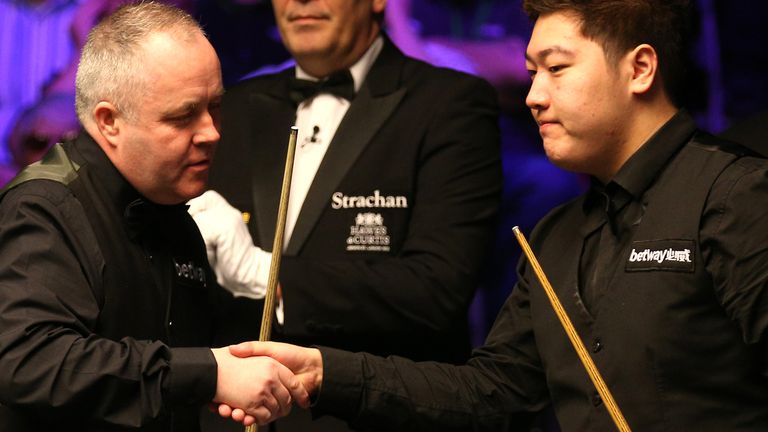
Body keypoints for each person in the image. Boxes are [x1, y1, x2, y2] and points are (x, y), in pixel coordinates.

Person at [219, 0, 768, 430]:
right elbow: (490, 395)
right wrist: (326, 372)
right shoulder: (554, 237)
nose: (532, 95)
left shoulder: (737, 196)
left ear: (640, 69)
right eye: (532, 73)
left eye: (556, 69)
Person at [0, 3, 309, 431]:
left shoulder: (172, 212)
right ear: (109, 122)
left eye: (214, 107)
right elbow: (32, 362)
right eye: (183, 116)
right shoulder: (44, 207)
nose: (212, 132)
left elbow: (189, 346)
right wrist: (213, 374)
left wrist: (261, 345)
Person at [192, 1, 502, 369]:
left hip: (373, 409)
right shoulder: (234, 107)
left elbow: (435, 292)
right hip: (233, 411)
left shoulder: (450, 105)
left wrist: (265, 275)